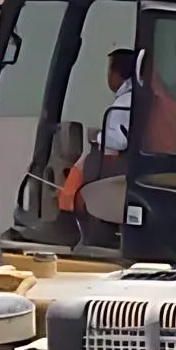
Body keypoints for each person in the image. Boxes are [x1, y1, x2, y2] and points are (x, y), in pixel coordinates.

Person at [56, 46, 142, 228]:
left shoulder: (124, 104)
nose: (108, 76)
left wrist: (98, 140)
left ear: (118, 74)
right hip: (123, 164)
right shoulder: (136, 99)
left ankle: (66, 215)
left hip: (114, 166)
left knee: (80, 169)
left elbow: (117, 142)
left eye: (110, 70)